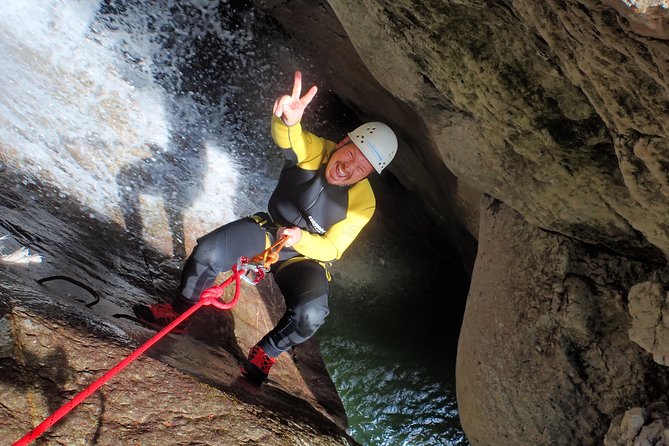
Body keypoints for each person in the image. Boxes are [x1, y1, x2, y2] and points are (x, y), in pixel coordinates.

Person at [135, 71, 398, 384]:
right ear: (343, 141)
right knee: (207, 254)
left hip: (304, 257)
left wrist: (301, 239)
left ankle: (266, 353)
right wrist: (288, 121)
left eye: (361, 169)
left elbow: (333, 248)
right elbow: (291, 141)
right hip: (269, 231)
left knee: (312, 314)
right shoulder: (316, 151)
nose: (349, 167)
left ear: (368, 175)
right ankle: (179, 313)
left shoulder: (363, 203)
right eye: (352, 154)